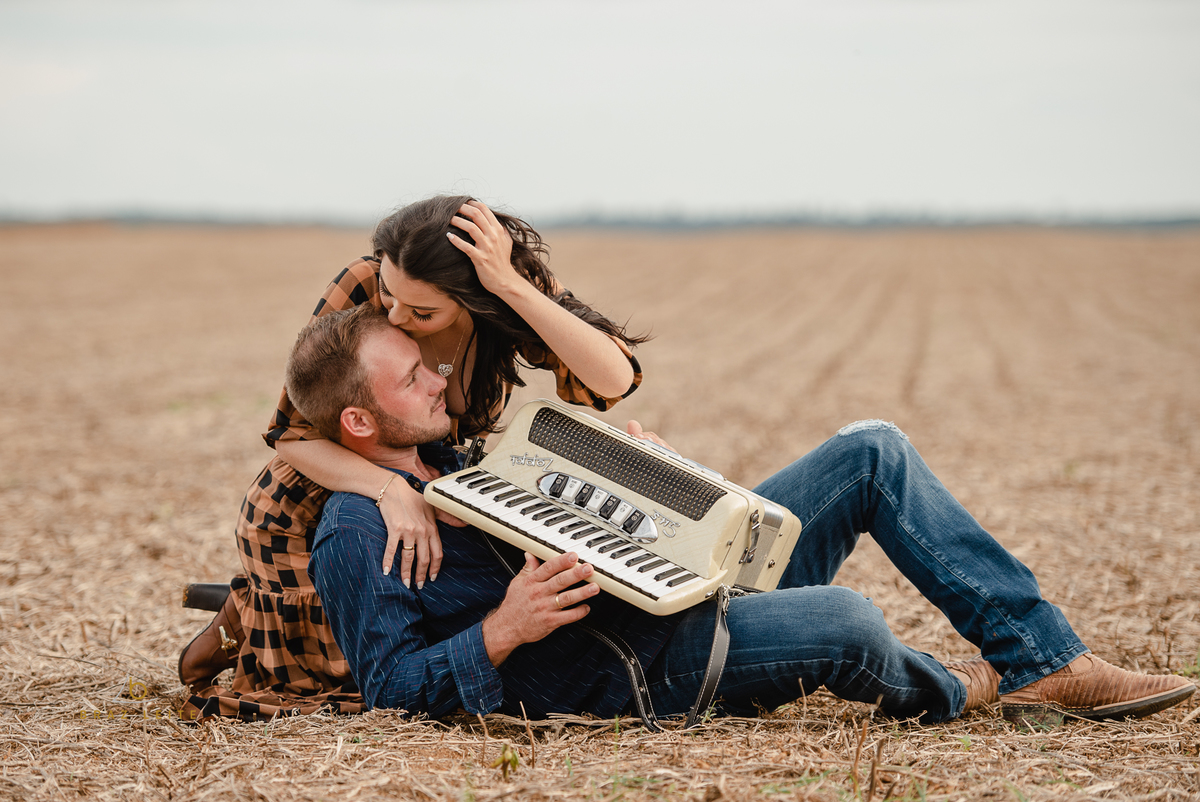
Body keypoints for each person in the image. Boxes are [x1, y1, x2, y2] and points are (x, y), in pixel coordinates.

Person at [297, 305, 1196, 727]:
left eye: (429, 361)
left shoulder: (454, 464)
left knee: (872, 448)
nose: (439, 378)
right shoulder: (357, 531)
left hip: (674, 589)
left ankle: (1045, 661)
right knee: (851, 622)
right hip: (638, 663)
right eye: (411, 376)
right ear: (360, 422)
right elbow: (389, 688)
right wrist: (501, 629)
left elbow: (586, 520)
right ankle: (957, 693)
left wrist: (633, 468)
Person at [180, 196, 649, 720]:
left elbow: (612, 380)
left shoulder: (503, 294)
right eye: (388, 293)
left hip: (423, 468)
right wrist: (388, 489)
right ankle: (235, 620)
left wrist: (510, 286)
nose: (395, 316)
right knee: (332, 667)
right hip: (319, 487)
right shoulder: (367, 280)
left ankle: (238, 614)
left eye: (421, 312)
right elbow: (293, 431)